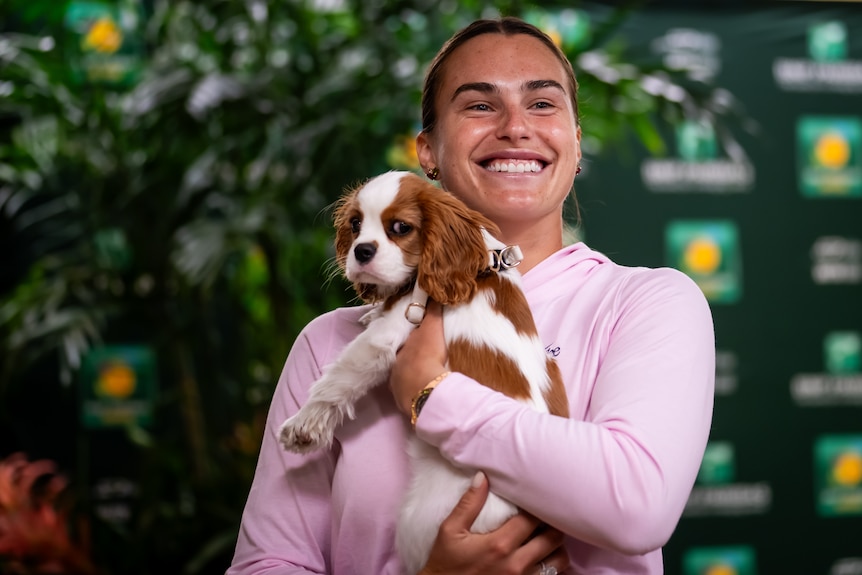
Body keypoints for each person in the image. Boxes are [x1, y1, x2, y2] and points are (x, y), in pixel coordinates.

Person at [227, 16, 715, 575]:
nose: (514, 127)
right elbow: (267, 564)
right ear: (428, 150)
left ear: (577, 144)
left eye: (543, 104)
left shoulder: (644, 304)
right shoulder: (330, 343)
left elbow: (636, 507)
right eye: (479, 105)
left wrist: (432, 396)